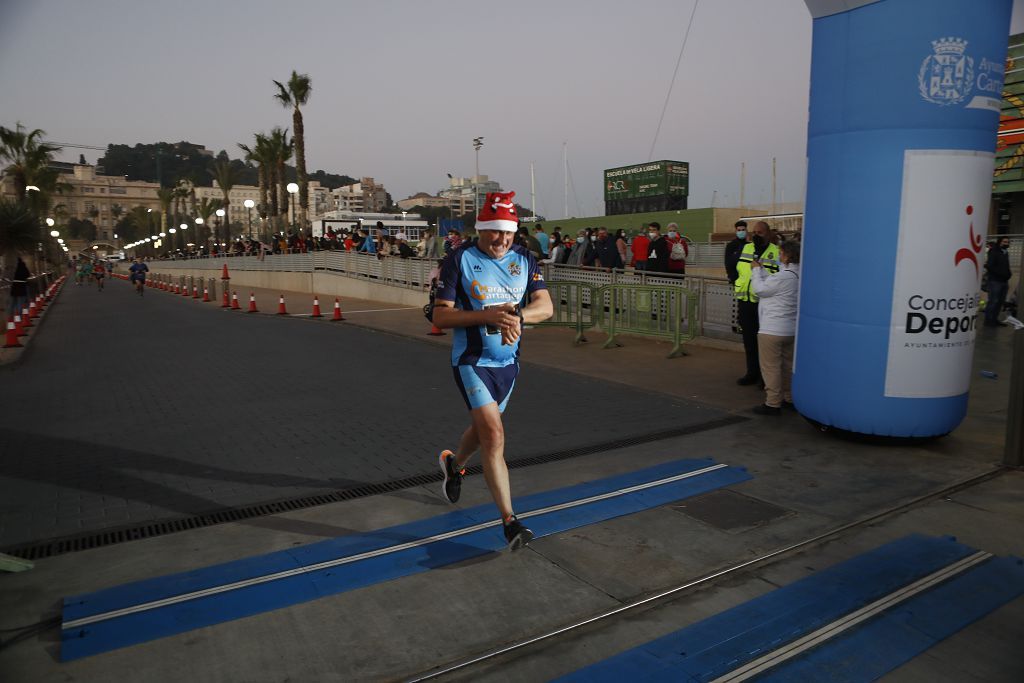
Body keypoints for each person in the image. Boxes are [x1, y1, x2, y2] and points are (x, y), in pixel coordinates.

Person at [432, 191, 553, 551]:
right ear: (480, 229)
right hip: (471, 361)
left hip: (508, 364)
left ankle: (454, 464)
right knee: (495, 435)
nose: (502, 240)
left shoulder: (525, 258)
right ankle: (510, 522)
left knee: (483, 429)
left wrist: (517, 316)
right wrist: (488, 315)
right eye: (494, 233)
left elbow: (545, 306)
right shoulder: (459, 259)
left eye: (509, 233)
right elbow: (440, 315)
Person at [750, 240, 801, 415]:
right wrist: (763, 271)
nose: (779, 256)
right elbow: (773, 283)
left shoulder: (782, 277)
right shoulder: (798, 275)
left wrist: (756, 271)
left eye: (781, 253)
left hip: (771, 329)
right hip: (791, 330)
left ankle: (772, 403)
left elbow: (760, 290)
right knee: (787, 366)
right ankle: (789, 398)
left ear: (786, 255)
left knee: (771, 367)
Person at [734, 221, 780, 386]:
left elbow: (778, 279)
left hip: (764, 304)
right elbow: (737, 269)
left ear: (767, 234)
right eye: (754, 232)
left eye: (760, 233)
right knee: (749, 341)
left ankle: (764, 377)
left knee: (765, 344)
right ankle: (751, 373)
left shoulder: (776, 252)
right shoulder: (747, 248)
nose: (756, 236)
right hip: (745, 301)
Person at [984, 236, 1012, 327]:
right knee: (993, 301)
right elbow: (989, 266)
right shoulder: (994, 252)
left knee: (1000, 302)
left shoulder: (1005, 253)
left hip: (1004, 282)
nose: (1006, 243)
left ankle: (994, 319)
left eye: (1007, 242)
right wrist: (1001, 274)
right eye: (1004, 241)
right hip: (995, 281)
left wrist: (1008, 274)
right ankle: (988, 321)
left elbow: (1006, 266)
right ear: (999, 242)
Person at [724, 221, 748, 285]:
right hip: (736, 279)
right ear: (736, 231)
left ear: (746, 231)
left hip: (747, 279)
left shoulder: (749, 245)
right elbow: (728, 263)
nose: (741, 232)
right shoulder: (731, 245)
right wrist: (732, 278)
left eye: (743, 230)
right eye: (739, 230)